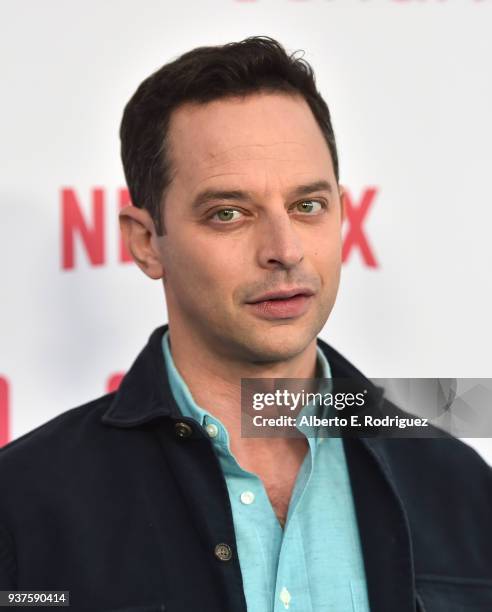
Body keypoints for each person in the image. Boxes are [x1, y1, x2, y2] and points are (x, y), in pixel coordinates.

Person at [0, 36, 491, 612]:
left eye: (307, 206)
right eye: (228, 213)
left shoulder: (458, 487)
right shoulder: (26, 502)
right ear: (145, 242)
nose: (284, 250)